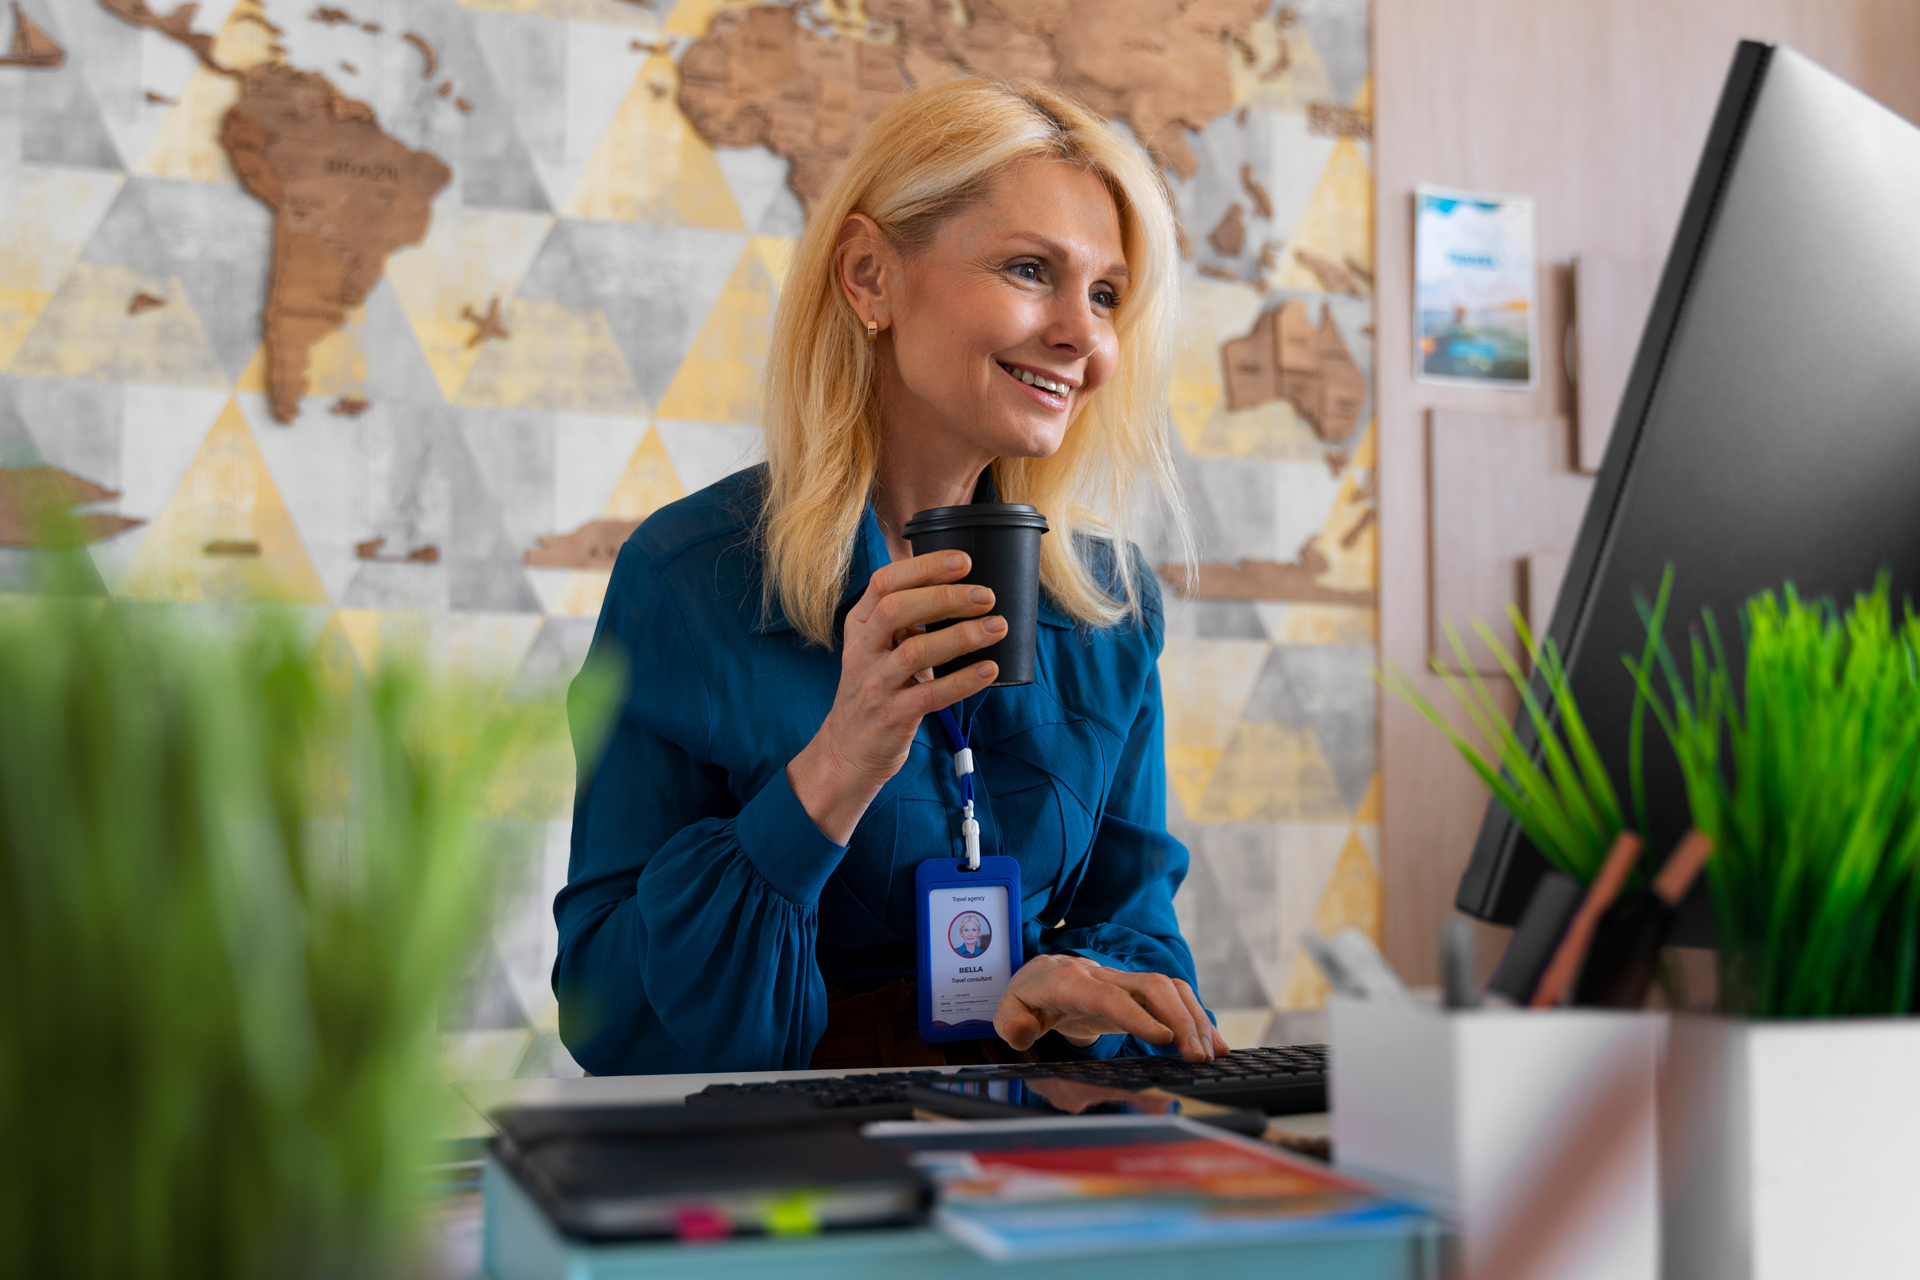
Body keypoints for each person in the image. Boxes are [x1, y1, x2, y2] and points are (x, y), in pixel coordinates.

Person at [555, 77, 1231, 1075]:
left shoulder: (1112, 608)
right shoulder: (683, 578)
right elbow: (607, 1013)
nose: (1087, 340)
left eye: (1106, 295)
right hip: (789, 1182)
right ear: (870, 276)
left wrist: (1080, 997)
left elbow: (1140, 938)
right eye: (1030, 268)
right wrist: (835, 765)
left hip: (1029, 1174)